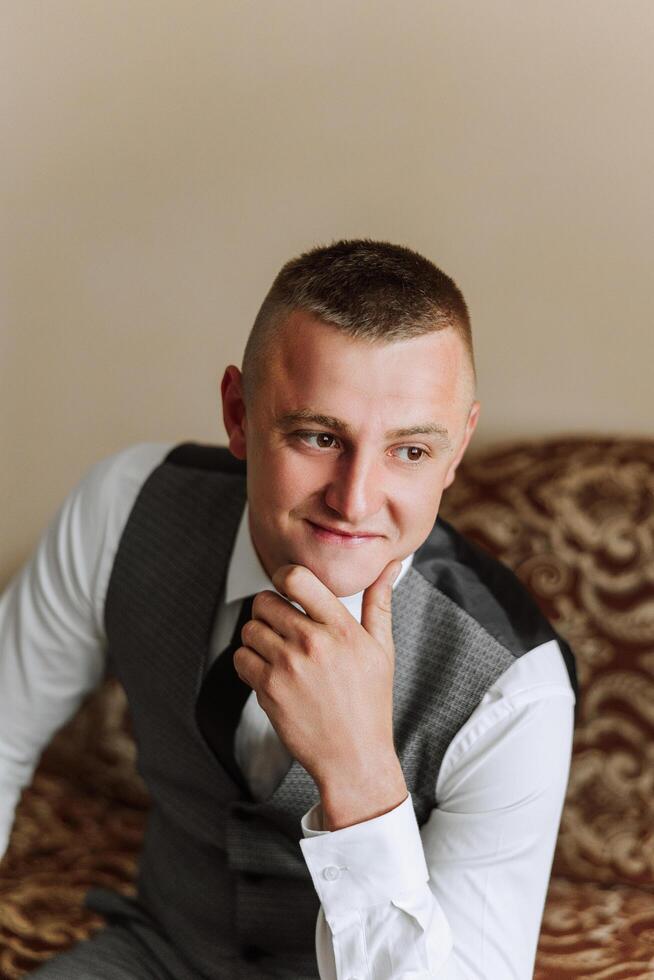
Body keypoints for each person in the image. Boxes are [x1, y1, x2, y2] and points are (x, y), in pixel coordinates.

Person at [0, 238, 578, 979]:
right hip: (155, 954)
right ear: (239, 414)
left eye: (410, 451)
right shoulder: (124, 509)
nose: (355, 498)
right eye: (318, 436)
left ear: (457, 446)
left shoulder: (516, 691)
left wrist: (361, 775)